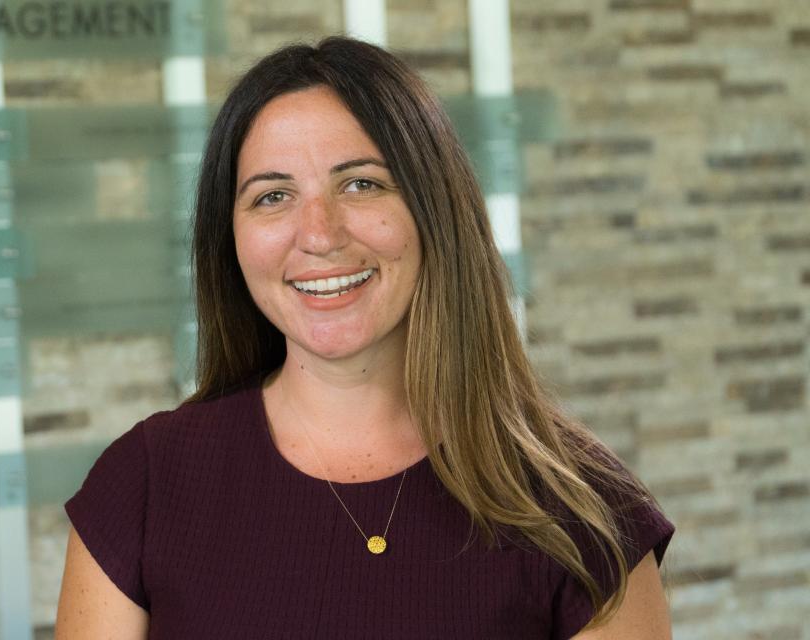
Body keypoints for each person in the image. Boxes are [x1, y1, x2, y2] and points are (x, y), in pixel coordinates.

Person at [56, 36, 675, 639]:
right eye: (273, 196)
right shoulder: (143, 488)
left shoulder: (584, 512)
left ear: (434, 210)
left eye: (362, 184)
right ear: (232, 240)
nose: (319, 234)